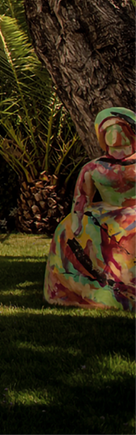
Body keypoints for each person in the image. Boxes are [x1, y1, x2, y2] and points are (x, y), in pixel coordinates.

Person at [44, 107, 136, 309]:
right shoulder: (93, 167)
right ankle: (84, 292)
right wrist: (76, 220)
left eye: (119, 128)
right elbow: (81, 197)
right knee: (66, 230)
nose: (114, 135)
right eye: (108, 130)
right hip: (105, 212)